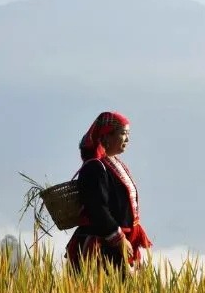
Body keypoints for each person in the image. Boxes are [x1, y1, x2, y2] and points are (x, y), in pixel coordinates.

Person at [65, 111, 152, 275]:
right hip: (102, 247)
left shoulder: (113, 164)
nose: (127, 139)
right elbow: (97, 208)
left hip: (117, 245)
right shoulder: (94, 167)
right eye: (123, 134)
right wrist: (118, 239)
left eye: (128, 134)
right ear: (106, 136)